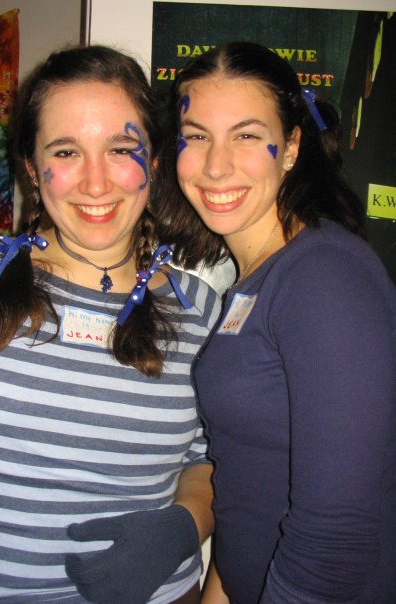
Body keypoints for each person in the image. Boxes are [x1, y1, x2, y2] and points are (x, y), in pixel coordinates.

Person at [0, 45, 221, 603]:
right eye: (66, 151)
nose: (96, 184)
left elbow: (213, 461)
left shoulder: (202, 310)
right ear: (30, 166)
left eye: (121, 149)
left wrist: (185, 526)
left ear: (156, 160)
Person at [155, 41, 396, 603]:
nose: (216, 165)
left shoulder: (324, 277)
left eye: (245, 135)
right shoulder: (256, 278)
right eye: (196, 137)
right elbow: (248, 482)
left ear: (291, 147)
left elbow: (335, 537)